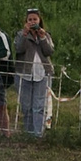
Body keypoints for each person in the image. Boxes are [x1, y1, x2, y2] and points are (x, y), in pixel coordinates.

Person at [15, 9, 56, 138]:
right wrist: (25, 33)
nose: (33, 22)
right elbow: (18, 48)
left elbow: (49, 51)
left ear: (39, 21)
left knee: (39, 106)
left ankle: (38, 134)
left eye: (35, 19)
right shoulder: (21, 34)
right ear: (26, 22)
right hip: (25, 73)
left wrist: (43, 37)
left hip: (42, 73)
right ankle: (28, 133)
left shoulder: (45, 35)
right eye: (30, 20)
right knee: (26, 106)